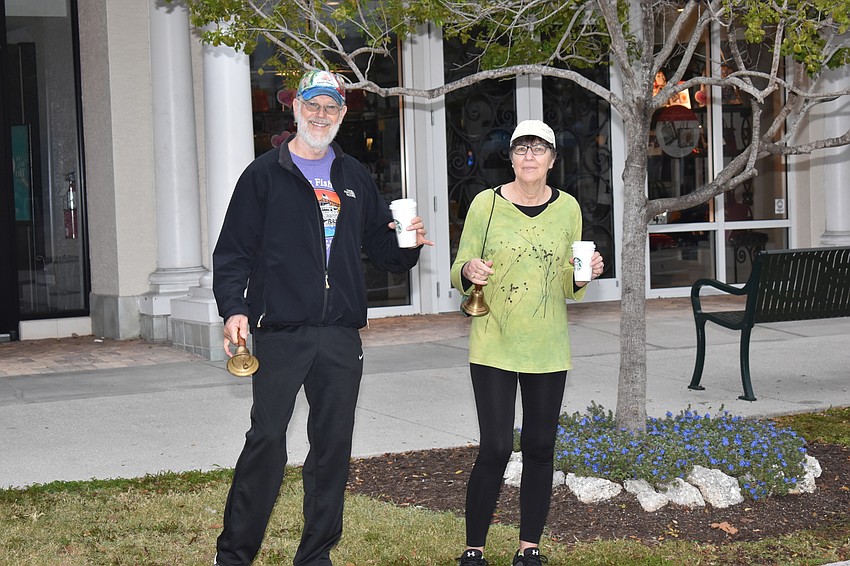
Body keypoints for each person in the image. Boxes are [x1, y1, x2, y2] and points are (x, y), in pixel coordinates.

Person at [212, 69, 433, 566]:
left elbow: (382, 249)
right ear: (295, 110)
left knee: (332, 448)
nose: (321, 115)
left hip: (338, 334)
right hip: (280, 331)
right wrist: (235, 310)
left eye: (331, 107)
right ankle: (234, 556)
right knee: (266, 440)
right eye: (313, 105)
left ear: (342, 114)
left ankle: (315, 556)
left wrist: (408, 243)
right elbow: (232, 255)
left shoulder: (353, 175)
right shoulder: (264, 174)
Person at [450, 120, 604, 566]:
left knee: (540, 447)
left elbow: (568, 287)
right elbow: (459, 266)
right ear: (511, 158)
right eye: (521, 150)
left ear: (553, 160)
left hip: (548, 345)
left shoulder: (569, 208)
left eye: (539, 150)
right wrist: (469, 271)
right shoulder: (485, 203)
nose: (529, 157)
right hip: (493, 341)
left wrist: (585, 273)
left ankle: (528, 548)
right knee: (495, 447)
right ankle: (474, 548)